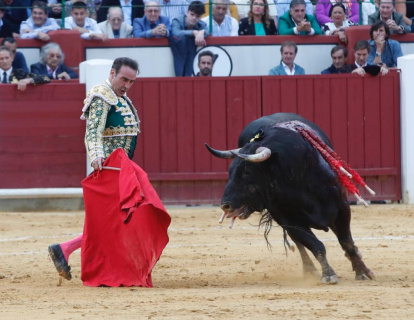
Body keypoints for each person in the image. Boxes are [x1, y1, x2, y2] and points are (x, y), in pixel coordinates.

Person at [48, 57, 171, 286]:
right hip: (110, 168)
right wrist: (96, 158)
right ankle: (69, 250)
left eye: (132, 81)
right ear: (112, 73)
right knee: (128, 216)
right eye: (124, 79)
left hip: (122, 168)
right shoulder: (101, 95)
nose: (127, 85)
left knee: (116, 221)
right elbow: (93, 131)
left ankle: (66, 249)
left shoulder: (120, 98)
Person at [169, 1, 209, 77]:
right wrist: (194, 32)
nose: (194, 18)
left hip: (189, 56)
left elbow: (206, 31)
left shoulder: (201, 24)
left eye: (197, 16)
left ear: (200, 17)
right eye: (192, 14)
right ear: (187, 12)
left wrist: (202, 32)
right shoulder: (177, 20)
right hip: (178, 56)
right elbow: (175, 33)